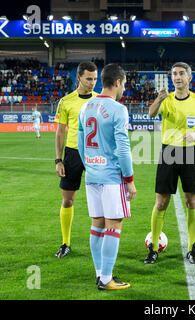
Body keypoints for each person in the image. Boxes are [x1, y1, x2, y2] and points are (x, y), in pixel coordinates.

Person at [144, 62, 195, 265]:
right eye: (174, 74)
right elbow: (151, 114)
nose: (178, 77)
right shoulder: (166, 99)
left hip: (191, 154)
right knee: (161, 202)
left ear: (189, 77)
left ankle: (192, 248)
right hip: (168, 152)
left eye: (182, 73)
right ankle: (153, 248)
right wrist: (158, 98)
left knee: (192, 201)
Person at [77, 63, 136, 291]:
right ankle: (106, 279)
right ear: (118, 82)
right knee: (113, 225)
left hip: (91, 175)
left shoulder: (86, 106)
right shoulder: (118, 109)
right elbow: (123, 149)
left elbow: (81, 143)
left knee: (97, 225)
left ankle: (100, 274)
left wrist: (89, 166)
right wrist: (129, 180)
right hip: (112, 177)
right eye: (124, 84)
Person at [54, 61, 99, 258]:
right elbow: (60, 132)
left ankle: (99, 242)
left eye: (95, 79)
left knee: (98, 201)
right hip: (72, 154)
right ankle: (65, 242)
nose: (92, 83)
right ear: (78, 77)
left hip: (95, 154)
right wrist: (58, 160)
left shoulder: (101, 100)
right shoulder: (66, 101)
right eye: (89, 78)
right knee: (68, 200)